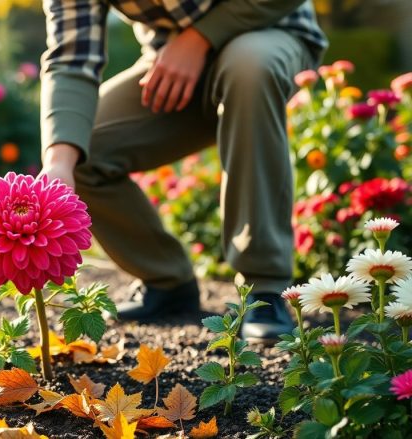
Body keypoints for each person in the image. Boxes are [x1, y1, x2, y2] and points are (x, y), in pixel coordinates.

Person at [38, 0, 327, 342]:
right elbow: (71, 58)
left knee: (249, 67)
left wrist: (198, 39)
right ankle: (167, 281)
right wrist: (59, 161)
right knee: (80, 148)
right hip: (170, 60)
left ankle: (263, 290)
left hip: (269, 31)